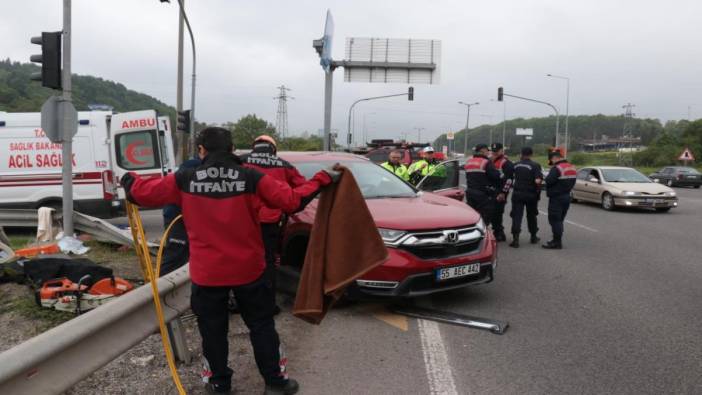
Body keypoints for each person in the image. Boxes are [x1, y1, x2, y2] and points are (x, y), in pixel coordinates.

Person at [121, 127, 338, 395]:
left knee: (212, 331)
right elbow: (292, 201)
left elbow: (141, 193)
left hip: (207, 273)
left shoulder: (185, 178)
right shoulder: (250, 176)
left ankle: (219, 384)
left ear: (201, 150)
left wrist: (128, 179)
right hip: (249, 269)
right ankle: (276, 382)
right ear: (232, 149)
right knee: (261, 325)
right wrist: (322, 178)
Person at [240, 135, 307, 314]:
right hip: (270, 222)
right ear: (273, 148)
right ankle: (268, 305)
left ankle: (241, 302)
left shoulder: (241, 161)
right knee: (268, 262)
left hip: (244, 220)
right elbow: (302, 187)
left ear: (254, 146)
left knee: (241, 259)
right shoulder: (284, 165)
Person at [160, 157, 201, 276]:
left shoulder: (197, 164)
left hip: (183, 216)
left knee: (185, 253)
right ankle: (163, 285)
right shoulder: (193, 165)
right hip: (176, 216)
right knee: (176, 252)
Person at [508, 147, 543, 248]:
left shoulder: (515, 165)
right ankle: (533, 236)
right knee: (531, 216)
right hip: (531, 194)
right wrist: (538, 192)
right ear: (532, 154)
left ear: (521, 154)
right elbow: (538, 181)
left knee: (516, 216)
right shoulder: (535, 165)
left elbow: (509, 178)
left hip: (517, 193)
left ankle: (515, 239)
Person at [543, 150, 577, 249]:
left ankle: (557, 242)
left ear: (555, 158)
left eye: (551, 160)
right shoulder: (572, 167)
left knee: (555, 220)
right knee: (560, 219)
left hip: (556, 197)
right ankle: (556, 239)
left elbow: (548, 181)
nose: (551, 162)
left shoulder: (557, 168)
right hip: (567, 196)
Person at [464, 144, 501, 222]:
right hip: (483, 194)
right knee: (485, 217)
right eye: (487, 151)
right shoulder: (486, 162)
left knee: (472, 216)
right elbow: (496, 176)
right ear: (483, 150)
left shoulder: (469, 162)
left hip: (470, 193)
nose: (488, 152)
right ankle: (483, 232)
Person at [489, 143, 514, 242]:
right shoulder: (490, 161)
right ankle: (497, 231)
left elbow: (509, 180)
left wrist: (503, 193)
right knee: (491, 212)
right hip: (491, 190)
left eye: (496, 151)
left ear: (501, 151)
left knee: (497, 213)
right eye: (493, 151)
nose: (494, 153)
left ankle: (499, 233)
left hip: (500, 191)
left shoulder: (506, 163)